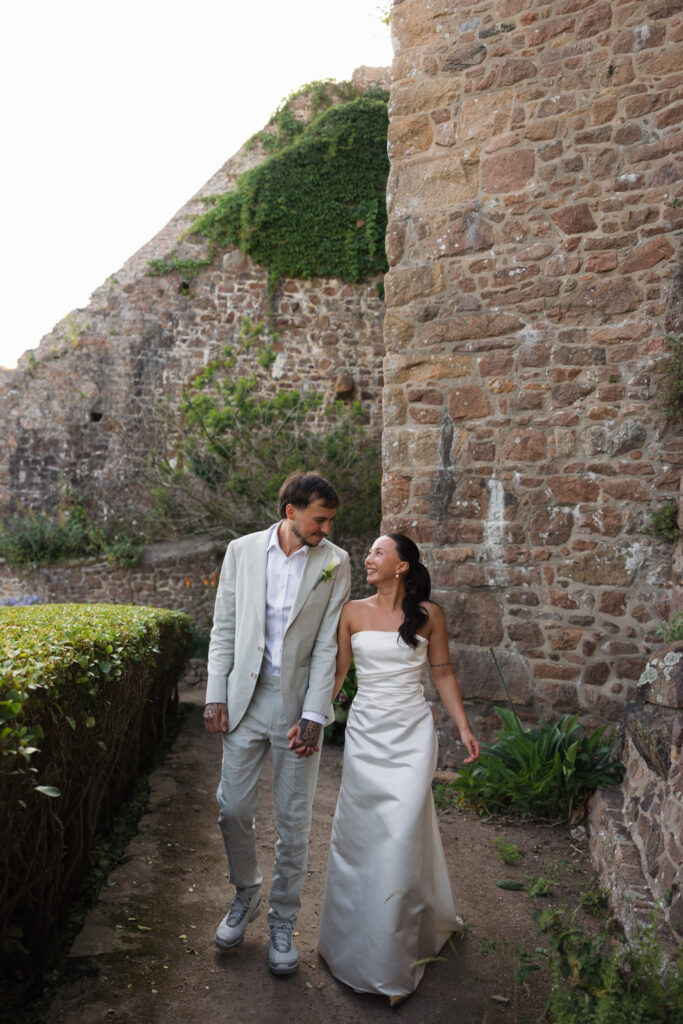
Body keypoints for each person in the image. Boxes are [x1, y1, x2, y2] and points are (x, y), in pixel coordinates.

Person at [317, 532, 480, 1005]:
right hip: (366, 736)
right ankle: (355, 946)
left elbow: (443, 672)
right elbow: (338, 675)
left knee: (403, 834)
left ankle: (395, 959)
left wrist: (464, 728)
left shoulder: (429, 616)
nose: (368, 558)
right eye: (369, 552)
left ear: (403, 565)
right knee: (362, 836)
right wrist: (311, 722)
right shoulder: (351, 612)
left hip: (411, 737)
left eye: (378, 552)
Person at [203, 471, 351, 975]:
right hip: (245, 701)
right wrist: (214, 695)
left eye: (330, 520)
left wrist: (314, 717)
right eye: (319, 519)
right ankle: (247, 892)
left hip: (297, 708)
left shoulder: (336, 563)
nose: (326, 528)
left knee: (294, 822)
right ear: (291, 512)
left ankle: (284, 920)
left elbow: (329, 644)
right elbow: (223, 626)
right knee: (231, 808)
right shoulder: (241, 551)